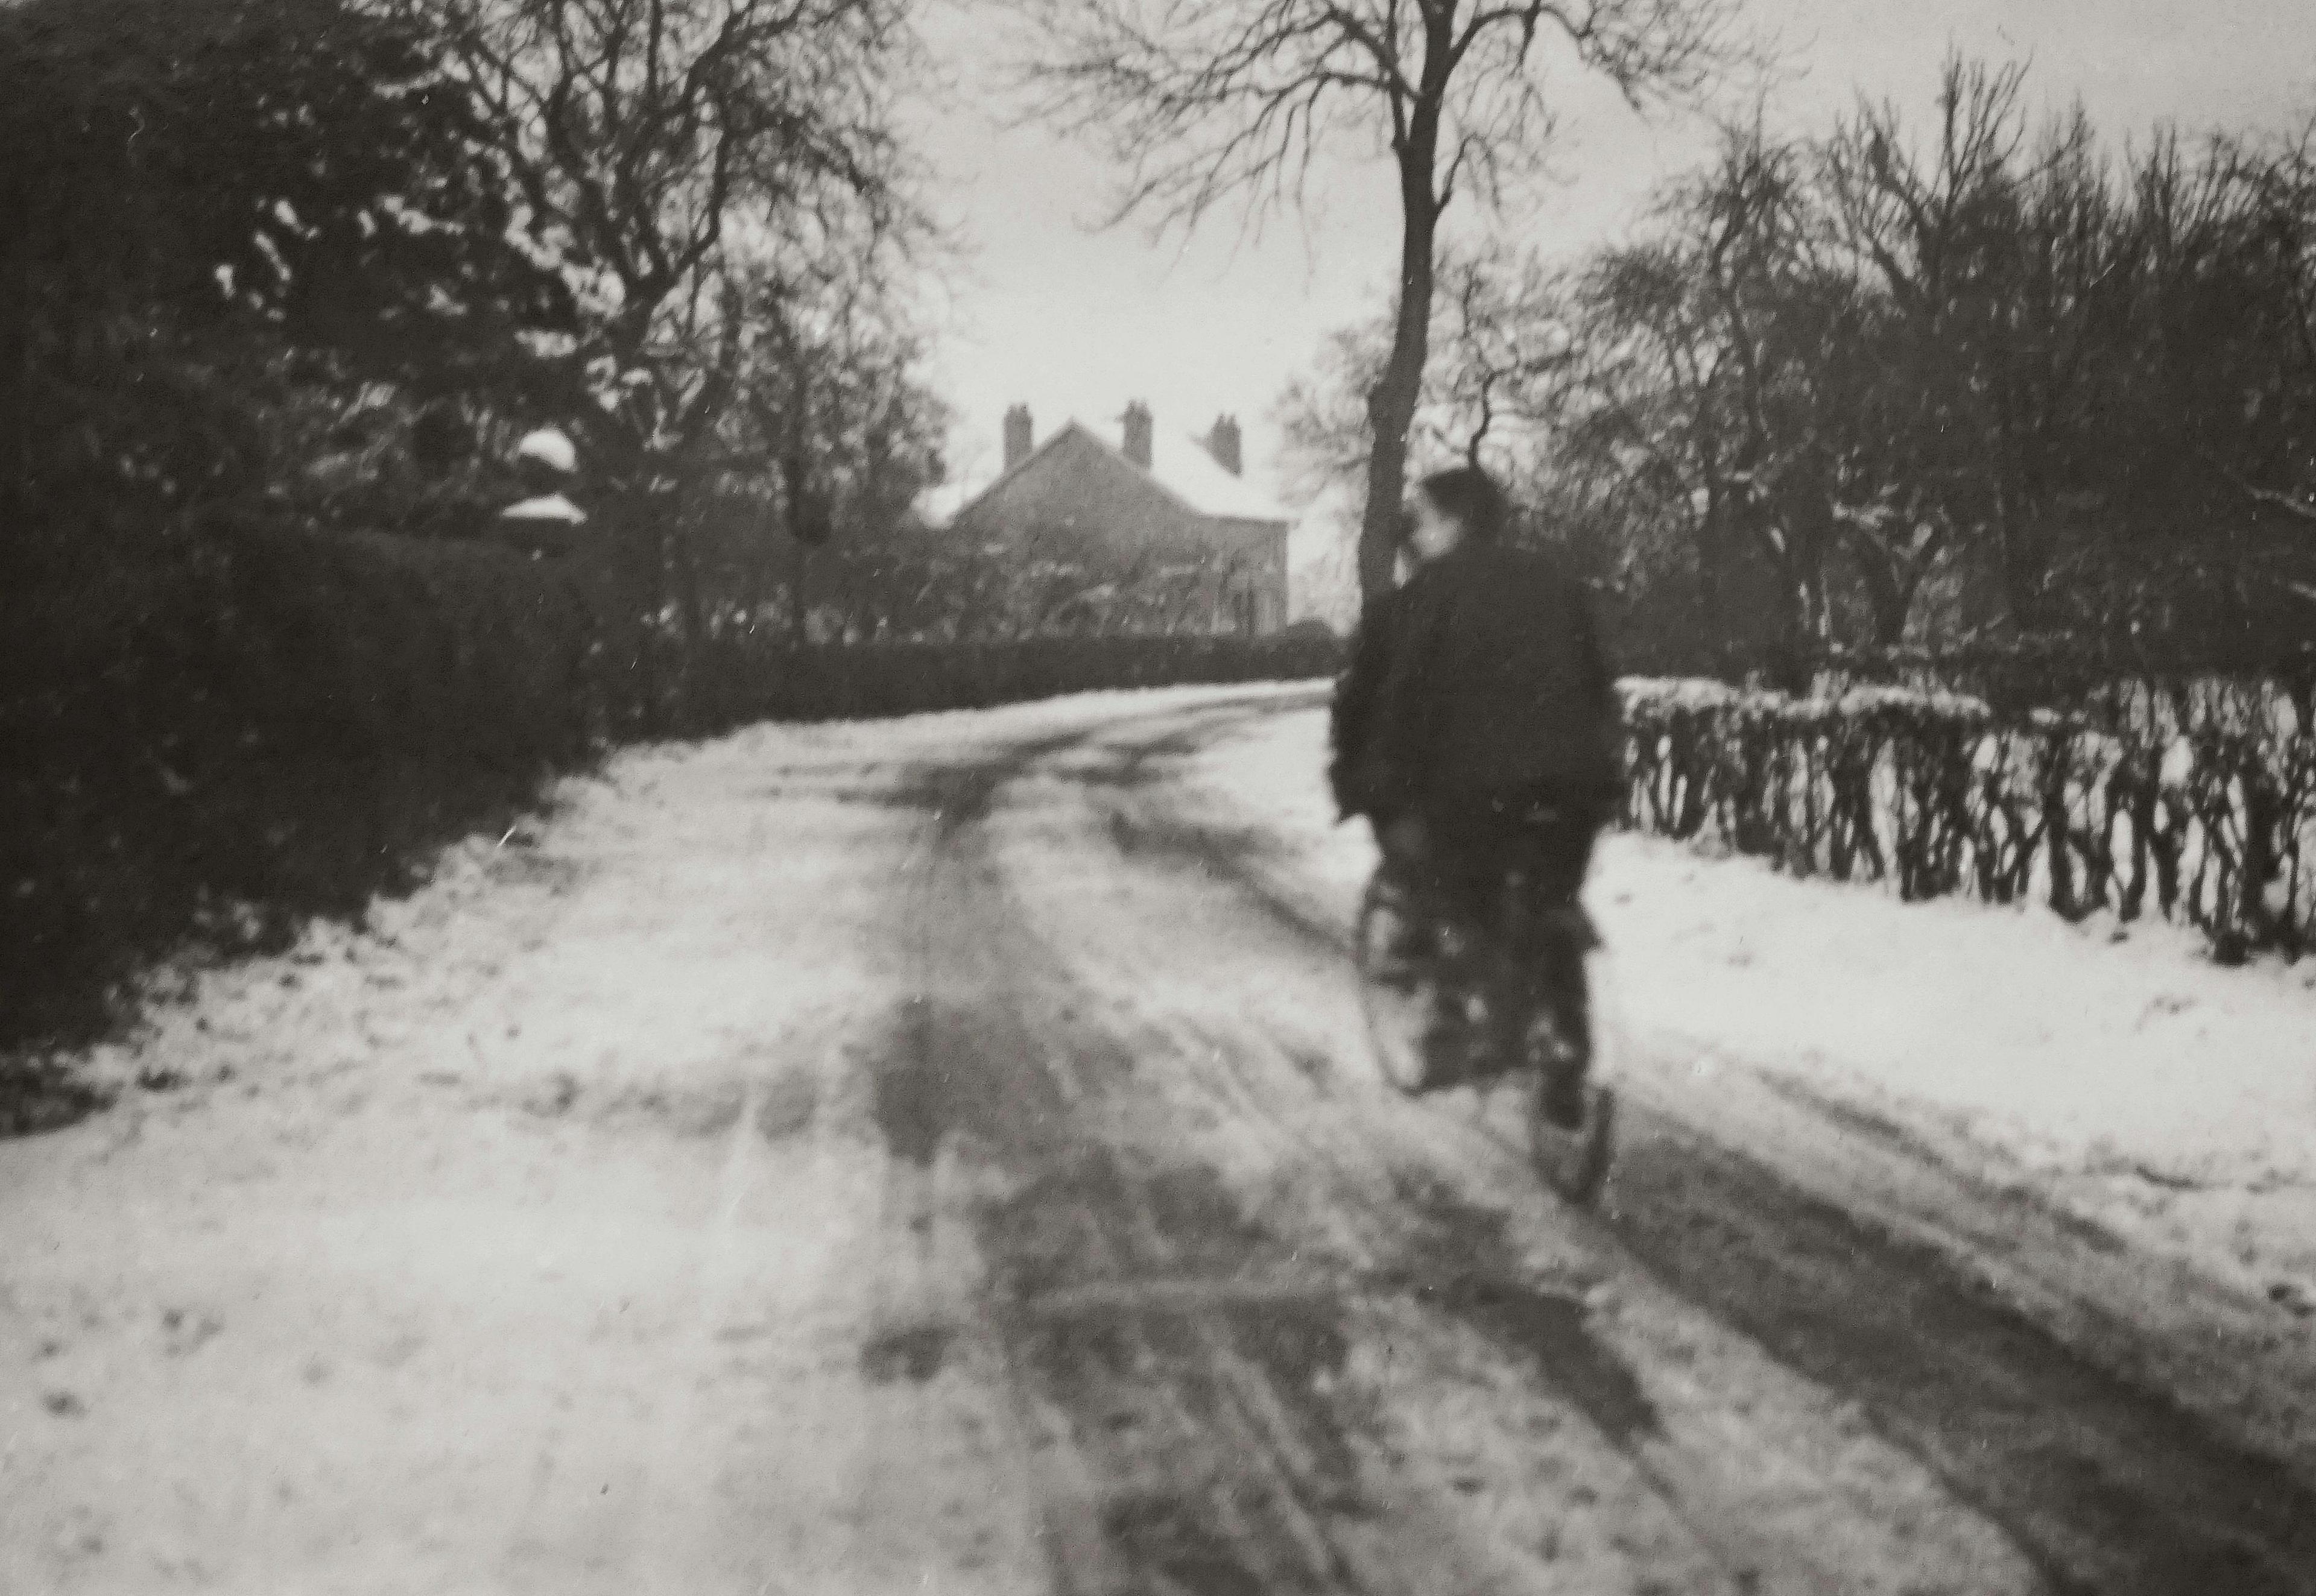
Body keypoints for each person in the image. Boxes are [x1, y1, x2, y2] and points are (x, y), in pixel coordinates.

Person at [1329, 464, 1619, 1124]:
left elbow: (1403, 704)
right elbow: (1598, 685)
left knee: (1461, 900)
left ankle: (1463, 1030)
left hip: (1481, 790)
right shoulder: (1554, 582)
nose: (1418, 533)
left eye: (1426, 518)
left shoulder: (1433, 593)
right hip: (1575, 786)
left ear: (1454, 524)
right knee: (1550, 900)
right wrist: (1600, 778)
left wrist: (1381, 794)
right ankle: (1566, 1041)